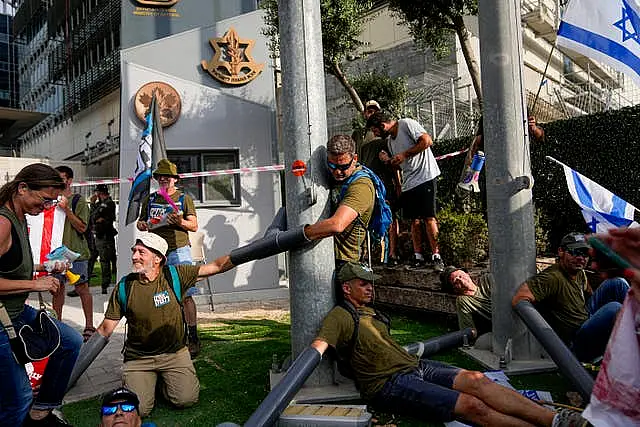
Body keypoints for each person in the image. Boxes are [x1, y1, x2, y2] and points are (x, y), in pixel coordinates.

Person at [310, 262, 585, 426]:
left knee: (479, 380)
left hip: (416, 366)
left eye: (371, 283)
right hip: (388, 384)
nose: (371, 288)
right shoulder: (340, 316)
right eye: (363, 284)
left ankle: (555, 420)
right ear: (347, 288)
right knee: (473, 407)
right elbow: (319, 346)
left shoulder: (373, 313)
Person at [95, 232, 234, 416]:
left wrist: (248, 253)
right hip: (139, 358)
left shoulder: (175, 275)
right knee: (140, 410)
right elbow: (106, 328)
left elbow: (216, 266)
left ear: (158, 258)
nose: (135, 256)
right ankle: (148, 380)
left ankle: (161, 382)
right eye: (134, 251)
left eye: (141, 252)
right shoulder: (125, 286)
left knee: (186, 399)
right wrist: (81, 357)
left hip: (174, 354)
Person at [0, 163, 83, 426]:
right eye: (45, 199)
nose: (47, 207)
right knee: (17, 399)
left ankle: (42, 410)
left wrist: (43, 267)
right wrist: (36, 285)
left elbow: (11, 265)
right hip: (1, 319)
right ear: (22, 188)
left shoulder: (21, 215)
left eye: (52, 202)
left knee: (69, 341)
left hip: (15, 311)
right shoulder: (3, 222)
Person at [512, 232, 629, 362]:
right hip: (576, 342)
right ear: (561, 251)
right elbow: (519, 299)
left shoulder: (579, 272)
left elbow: (588, 292)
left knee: (617, 283)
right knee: (614, 308)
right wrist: (547, 336)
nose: (580, 258)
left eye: (585, 254)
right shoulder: (552, 278)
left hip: (585, 317)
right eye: (575, 252)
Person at [136, 159, 201, 358]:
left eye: (167, 177)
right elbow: (140, 223)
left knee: (186, 294)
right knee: (159, 294)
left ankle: (193, 337)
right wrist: (144, 225)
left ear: (174, 179)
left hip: (179, 249)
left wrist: (179, 220)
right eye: (160, 177)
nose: (163, 179)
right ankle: (168, 334)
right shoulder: (151, 199)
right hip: (155, 253)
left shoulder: (183, 198)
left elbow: (194, 225)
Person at [367, 111, 444, 272]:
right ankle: (418, 255)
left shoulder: (406, 124)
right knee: (413, 220)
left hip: (425, 175)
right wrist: (388, 161)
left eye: (375, 130)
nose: (375, 134)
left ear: (382, 126)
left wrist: (404, 154)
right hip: (409, 181)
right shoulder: (389, 142)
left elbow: (427, 141)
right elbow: (399, 164)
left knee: (429, 217)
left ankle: (437, 256)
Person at [303, 135, 375, 267]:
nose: (337, 172)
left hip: (348, 262)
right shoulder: (332, 178)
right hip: (328, 258)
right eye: (331, 165)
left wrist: (299, 235)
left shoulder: (362, 186)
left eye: (343, 166)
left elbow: (337, 225)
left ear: (355, 159)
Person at [54, 165, 95, 342]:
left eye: (61, 178)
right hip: (56, 254)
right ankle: (57, 325)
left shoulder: (79, 201)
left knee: (82, 288)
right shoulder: (49, 200)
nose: (57, 181)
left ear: (69, 180)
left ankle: (89, 325)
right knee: (56, 289)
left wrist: (66, 209)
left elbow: (82, 227)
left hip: (76, 254)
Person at [441, 266, 493, 334]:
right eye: (456, 282)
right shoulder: (464, 301)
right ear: (454, 289)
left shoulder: (486, 279)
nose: (461, 281)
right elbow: (468, 332)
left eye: (460, 276)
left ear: (467, 274)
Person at [92, 184, 118, 295]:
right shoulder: (98, 204)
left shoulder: (109, 203)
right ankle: (84, 282)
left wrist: (99, 217)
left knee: (105, 261)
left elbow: (104, 217)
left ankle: (105, 285)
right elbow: (93, 217)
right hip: (98, 234)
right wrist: (93, 205)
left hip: (105, 236)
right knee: (93, 258)